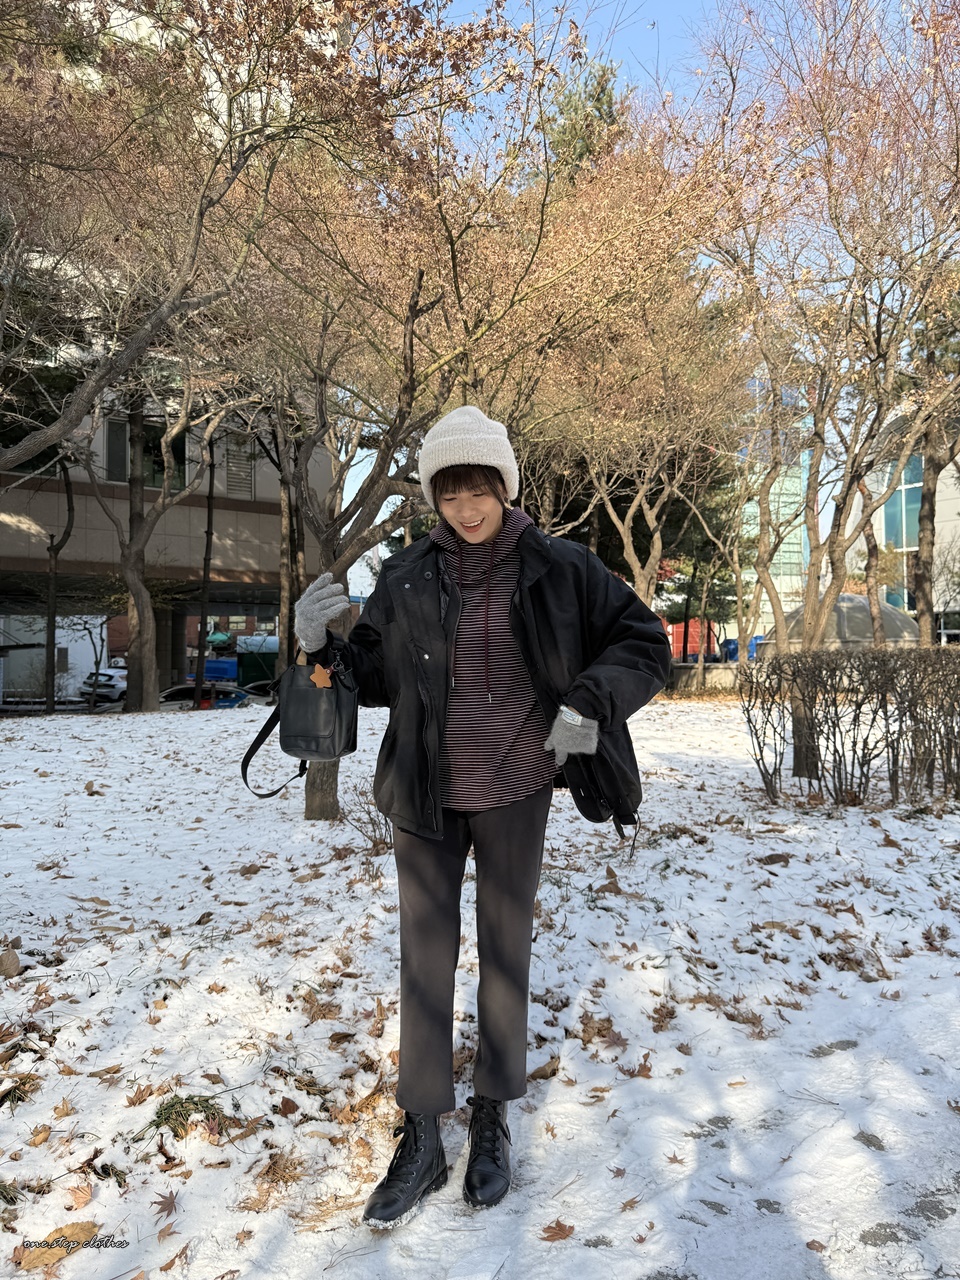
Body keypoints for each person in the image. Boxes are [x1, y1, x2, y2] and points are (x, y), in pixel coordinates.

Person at [293, 405, 671, 1228]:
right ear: (434, 495)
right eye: (450, 492)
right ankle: (423, 1133)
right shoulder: (405, 575)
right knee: (424, 960)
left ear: (505, 487)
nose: (467, 508)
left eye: (480, 490)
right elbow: (372, 678)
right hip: (423, 792)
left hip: (517, 784)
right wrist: (321, 647)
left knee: (505, 951)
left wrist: (587, 705)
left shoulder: (562, 567)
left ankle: (493, 1113)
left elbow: (646, 641)